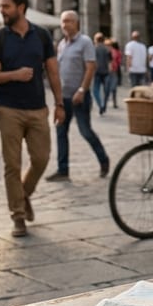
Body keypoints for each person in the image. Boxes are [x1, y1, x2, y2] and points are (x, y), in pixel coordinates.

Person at [0, 0, 64, 237]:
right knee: (12, 165)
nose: (1, 11)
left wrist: (59, 103)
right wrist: (13, 75)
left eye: (5, 6)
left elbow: (52, 70)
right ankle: (17, 215)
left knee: (41, 159)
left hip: (38, 107)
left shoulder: (41, 36)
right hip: (8, 109)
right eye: (0, 7)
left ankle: (23, 194)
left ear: (21, 7)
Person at [47, 10, 110, 182]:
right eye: (63, 21)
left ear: (76, 23)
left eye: (69, 21)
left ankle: (104, 160)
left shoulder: (85, 42)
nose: (65, 25)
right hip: (63, 96)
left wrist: (82, 90)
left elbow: (91, 67)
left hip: (79, 96)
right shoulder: (61, 44)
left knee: (85, 131)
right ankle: (63, 170)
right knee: (61, 131)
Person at [91, 32, 112, 115]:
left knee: (95, 90)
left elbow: (92, 61)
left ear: (96, 40)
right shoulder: (107, 49)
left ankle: (100, 105)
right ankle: (104, 105)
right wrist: (110, 71)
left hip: (97, 72)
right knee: (106, 90)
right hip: (106, 72)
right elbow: (110, 62)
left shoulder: (93, 49)